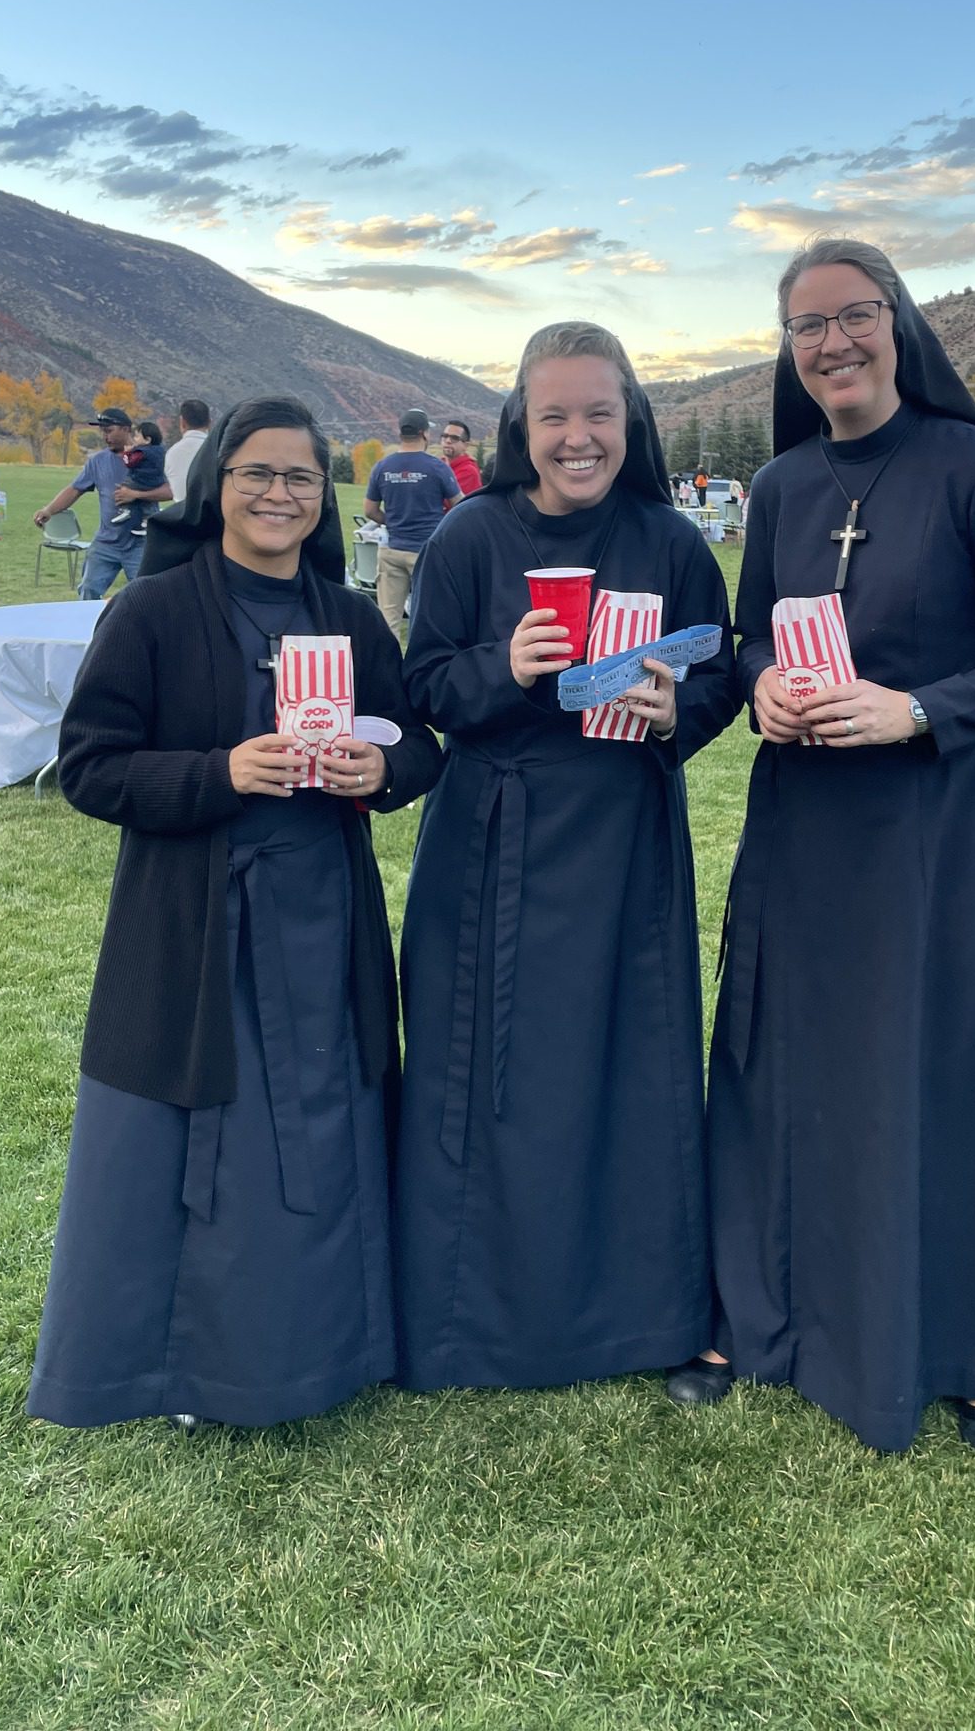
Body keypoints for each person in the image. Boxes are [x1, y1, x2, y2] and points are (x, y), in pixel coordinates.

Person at [674, 238, 975, 1461]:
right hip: (806, 824)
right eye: (807, 327)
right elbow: (749, 634)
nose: (832, 344)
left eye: (853, 317)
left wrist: (916, 709)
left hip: (941, 826)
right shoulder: (787, 483)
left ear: (897, 324)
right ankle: (762, 1314)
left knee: (951, 1069)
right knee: (789, 1062)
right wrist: (759, 687)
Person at [26, 396, 442, 1429]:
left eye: (300, 477)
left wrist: (379, 763)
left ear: (323, 496)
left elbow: (424, 746)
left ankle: (334, 1344)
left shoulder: (348, 615)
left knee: (321, 1119)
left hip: (322, 910)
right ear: (216, 483)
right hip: (193, 922)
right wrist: (222, 770)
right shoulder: (153, 611)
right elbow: (88, 766)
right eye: (257, 473)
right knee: (211, 1133)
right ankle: (194, 1366)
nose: (279, 494)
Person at [394, 320, 740, 1393]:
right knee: (483, 1076)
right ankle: (463, 1319)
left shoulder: (672, 542)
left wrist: (681, 703)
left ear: (630, 420)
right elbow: (425, 688)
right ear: (520, 425)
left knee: (632, 1064)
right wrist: (503, 665)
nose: (579, 436)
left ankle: (647, 1314)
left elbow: (722, 675)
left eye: (600, 413)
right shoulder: (468, 536)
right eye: (556, 415)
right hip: (492, 839)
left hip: (625, 836)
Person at [363, 409, 460, 638]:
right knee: (427, 617)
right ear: (424, 433)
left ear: (401, 433)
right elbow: (459, 505)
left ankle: (389, 670)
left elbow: (369, 510)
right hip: (426, 552)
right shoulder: (437, 467)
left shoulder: (382, 467)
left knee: (389, 619)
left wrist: (393, 521)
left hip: (392, 549)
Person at [32, 408, 148, 598]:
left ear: (126, 429)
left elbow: (168, 491)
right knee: (88, 589)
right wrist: (49, 510)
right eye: (102, 431)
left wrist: (136, 494)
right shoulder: (98, 461)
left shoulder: (146, 457)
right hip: (106, 542)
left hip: (139, 543)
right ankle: (90, 627)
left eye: (109, 430)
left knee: (145, 595)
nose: (105, 436)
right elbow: (75, 489)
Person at [107, 419, 169, 531]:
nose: (134, 440)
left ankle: (124, 510)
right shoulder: (160, 450)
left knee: (123, 486)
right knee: (148, 502)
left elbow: (129, 463)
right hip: (156, 481)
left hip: (140, 480)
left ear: (147, 440)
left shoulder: (141, 452)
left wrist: (127, 453)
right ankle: (147, 521)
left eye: (137, 436)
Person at [164, 398, 211, 507]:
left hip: (181, 515)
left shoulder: (172, 454)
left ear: (182, 422)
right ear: (209, 422)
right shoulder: (217, 450)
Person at [438, 419, 484, 496]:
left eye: (455, 438)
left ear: (465, 445)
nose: (448, 441)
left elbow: (445, 499)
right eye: (445, 436)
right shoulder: (439, 464)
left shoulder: (469, 471)